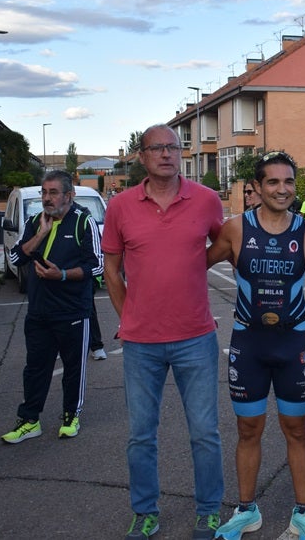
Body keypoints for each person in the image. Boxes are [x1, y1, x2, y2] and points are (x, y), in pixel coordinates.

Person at [102, 124, 225, 540]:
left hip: (196, 337)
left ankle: (209, 510)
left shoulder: (207, 200)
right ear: (142, 156)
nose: (167, 154)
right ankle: (144, 511)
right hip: (141, 344)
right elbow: (112, 271)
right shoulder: (120, 206)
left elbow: (219, 248)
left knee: (205, 433)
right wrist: (128, 315)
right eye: (157, 148)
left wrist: (190, 271)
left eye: (173, 147)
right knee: (141, 435)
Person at [207, 152, 305, 540]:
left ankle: (301, 513)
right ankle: (247, 510)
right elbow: (196, 264)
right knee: (248, 429)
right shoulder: (235, 229)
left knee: (296, 430)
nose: (283, 189)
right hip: (248, 344)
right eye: (273, 182)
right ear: (257, 188)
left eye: (289, 182)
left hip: (293, 344)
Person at [1, 171, 103, 444]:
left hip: (72, 311)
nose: (47, 198)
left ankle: (71, 415)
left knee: (73, 368)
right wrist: (40, 234)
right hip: (38, 312)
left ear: (69, 196)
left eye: (53, 192)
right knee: (35, 368)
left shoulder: (84, 222)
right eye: (44, 193)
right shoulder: (35, 222)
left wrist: (64, 275)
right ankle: (30, 420)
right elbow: (15, 256)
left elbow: (98, 265)